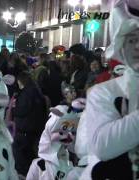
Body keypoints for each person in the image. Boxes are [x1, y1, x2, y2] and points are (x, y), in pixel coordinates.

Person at [75, 1, 139, 179]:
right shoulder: (103, 92)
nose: (137, 47)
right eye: (132, 39)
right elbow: (102, 146)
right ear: (120, 46)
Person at [26, 98, 84, 180]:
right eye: (62, 132)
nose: (69, 135)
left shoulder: (70, 166)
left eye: (73, 132)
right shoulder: (39, 165)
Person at [12, 71, 48, 177]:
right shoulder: (36, 91)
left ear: (21, 81)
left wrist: (14, 108)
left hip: (25, 129)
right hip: (35, 128)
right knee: (29, 153)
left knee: (20, 154)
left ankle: (24, 175)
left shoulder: (26, 93)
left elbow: (21, 110)